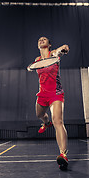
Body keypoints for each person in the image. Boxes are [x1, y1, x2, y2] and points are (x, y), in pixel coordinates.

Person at [28, 36, 69, 170]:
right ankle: (46, 123)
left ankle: (63, 154)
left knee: (58, 121)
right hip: (42, 94)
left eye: (44, 39)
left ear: (49, 44)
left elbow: (59, 51)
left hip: (55, 93)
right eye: (39, 39)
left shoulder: (53, 54)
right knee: (39, 114)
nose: (41, 40)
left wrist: (63, 48)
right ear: (37, 45)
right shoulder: (37, 60)